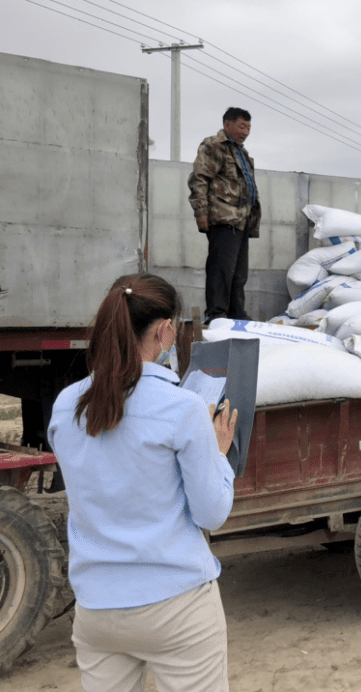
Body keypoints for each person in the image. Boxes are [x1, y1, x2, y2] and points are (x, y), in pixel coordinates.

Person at [48, 273, 238, 691]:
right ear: (165, 330)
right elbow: (211, 513)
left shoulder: (66, 407)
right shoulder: (184, 409)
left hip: (97, 608)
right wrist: (219, 455)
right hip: (177, 607)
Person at [188, 107, 261, 323]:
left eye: (249, 127)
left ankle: (236, 313)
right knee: (221, 270)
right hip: (223, 217)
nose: (246, 131)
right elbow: (199, 179)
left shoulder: (242, 152)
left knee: (239, 274)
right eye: (241, 126)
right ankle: (216, 314)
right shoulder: (213, 146)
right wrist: (201, 212)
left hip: (242, 220)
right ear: (227, 124)